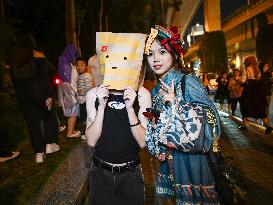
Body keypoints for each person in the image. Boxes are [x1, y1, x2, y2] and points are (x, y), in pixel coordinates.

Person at [144, 25, 221, 204]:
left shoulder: (188, 82)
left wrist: (175, 105)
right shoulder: (156, 90)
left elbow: (212, 124)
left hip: (192, 164)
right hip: (167, 165)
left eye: (162, 51)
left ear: (174, 54)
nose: (155, 58)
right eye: (150, 53)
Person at [86, 32, 152, 205]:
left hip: (131, 174)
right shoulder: (94, 94)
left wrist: (131, 109)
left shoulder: (142, 94)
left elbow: (144, 142)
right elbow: (91, 141)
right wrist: (101, 106)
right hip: (101, 173)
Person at [8, 33, 60, 163]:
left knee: (33, 124)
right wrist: (49, 95)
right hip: (39, 93)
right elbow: (44, 78)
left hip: (23, 97)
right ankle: (50, 144)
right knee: (50, 117)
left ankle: (38, 153)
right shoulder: (37, 55)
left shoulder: (14, 59)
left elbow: (14, 82)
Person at [239, 56, 272, 135]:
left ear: (248, 62)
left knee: (244, 106)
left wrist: (239, 81)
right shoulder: (257, 70)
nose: (244, 63)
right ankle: (268, 126)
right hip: (258, 92)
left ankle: (244, 125)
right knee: (259, 108)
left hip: (249, 92)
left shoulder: (246, 69)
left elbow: (243, 80)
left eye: (245, 61)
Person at [58, 45, 81, 138]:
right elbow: (70, 84)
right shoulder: (67, 67)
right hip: (71, 95)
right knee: (73, 114)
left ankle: (72, 130)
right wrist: (77, 92)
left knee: (73, 114)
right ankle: (70, 133)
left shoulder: (67, 64)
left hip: (70, 94)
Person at [76, 57, 94, 123]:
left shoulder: (86, 75)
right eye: (77, 65)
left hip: (86, 101)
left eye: (82, 65)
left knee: (87, 118)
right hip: (82, 100)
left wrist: (81, 92)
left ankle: (89, 131)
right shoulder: (80, 76)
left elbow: (89, 87)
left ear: (86, 66)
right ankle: (87, 130)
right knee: (84, 118)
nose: (79, 67)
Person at [259, 62, 273, 134]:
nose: (267, 68)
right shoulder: (259, 74)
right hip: (261, 95)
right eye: (265, 66)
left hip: (267, 95)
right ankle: (268, 126)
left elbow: (270, 81)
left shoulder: (268, 74)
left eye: (267, 66)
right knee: (264, 111)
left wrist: (270, 80)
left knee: (266, 111)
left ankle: (268, 126)